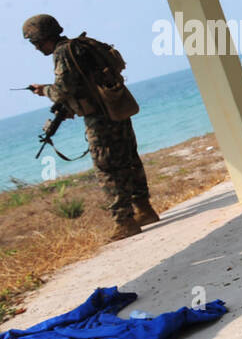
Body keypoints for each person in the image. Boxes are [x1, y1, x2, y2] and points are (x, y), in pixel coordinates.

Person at [21, 14, 157, 241]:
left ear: (44, 37)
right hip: (116, 109)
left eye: (35, 42)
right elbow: (84, 85)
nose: (35, 48)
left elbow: (63, 89)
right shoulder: (80, 47)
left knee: (107, 169)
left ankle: (124, 222)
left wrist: (44, 90)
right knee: (129, 159)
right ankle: (144, 209)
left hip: (100, 119)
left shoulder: (63, 53)